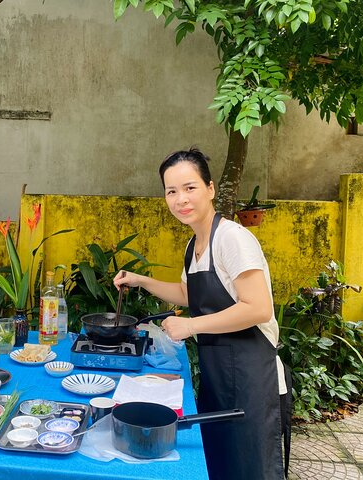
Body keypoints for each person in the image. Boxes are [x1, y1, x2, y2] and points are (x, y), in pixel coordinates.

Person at [113, 147, 287, 480]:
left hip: (253, 378)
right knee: (221, 465)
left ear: (210, 189)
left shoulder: (232, 239)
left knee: (252, 470)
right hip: (219, 376)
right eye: (171, 191)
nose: (181, 199)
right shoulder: (194, 245)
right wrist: (139, 280)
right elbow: (187, 293)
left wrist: (191, 326)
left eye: (190, 187)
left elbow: (258, 307)